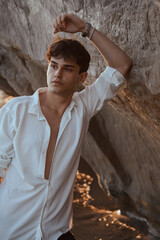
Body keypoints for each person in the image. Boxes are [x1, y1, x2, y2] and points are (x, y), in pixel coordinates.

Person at [0, 14, 132, 240]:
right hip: (11, 229)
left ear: (82, 78)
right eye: (53, 66)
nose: (57, 74)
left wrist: (85, 28)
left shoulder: (83, 107)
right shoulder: (16, 111)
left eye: (67, 69)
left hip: (56, 232)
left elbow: (121, 64)